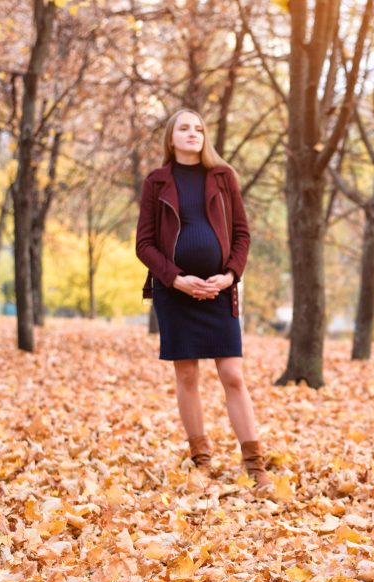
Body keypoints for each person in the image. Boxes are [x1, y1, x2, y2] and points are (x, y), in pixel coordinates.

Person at [135, 109, 271, 495]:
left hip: (219, 291)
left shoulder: (223, 177)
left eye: (198, 128)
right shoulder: (157, 182)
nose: (192, 133)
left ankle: (255, 467)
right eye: (184, 128)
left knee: (233, 375)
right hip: (174, 293)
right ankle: (202, 463)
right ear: (171, 138)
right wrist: (177, 280)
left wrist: (229, 276)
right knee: (188, 376)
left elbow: (242, 234)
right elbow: (143, 244)